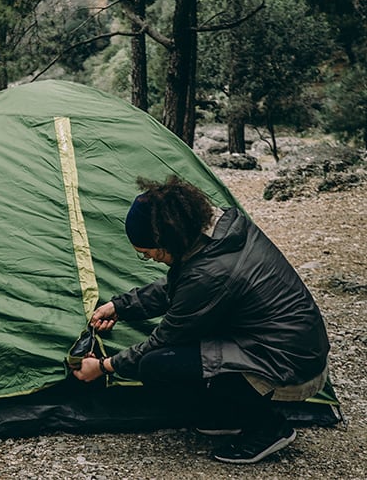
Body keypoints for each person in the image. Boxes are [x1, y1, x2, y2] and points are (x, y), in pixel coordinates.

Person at [72, 175, 330, 464]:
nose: (150, 259)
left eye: (147, 254)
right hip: (285, 345)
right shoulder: (213, 237)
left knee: (158, 364)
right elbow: (180, 288)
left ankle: (267, 427)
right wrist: (120, 307)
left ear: (165, 239)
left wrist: (105, 366)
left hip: (291, 365)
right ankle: (230, 414)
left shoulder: (211, 272)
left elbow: (166, 337)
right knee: (180, 357)